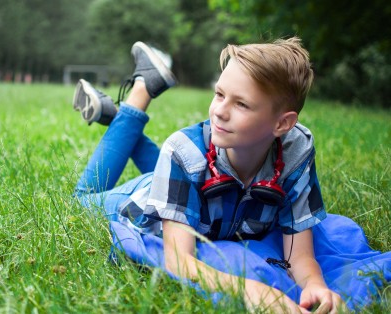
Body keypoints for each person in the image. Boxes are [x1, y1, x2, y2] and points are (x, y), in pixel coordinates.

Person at [72, 39, 345, 313]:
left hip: (188, 180)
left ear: (282, 124)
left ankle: (120, 119)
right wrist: (250, 289)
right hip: (141, 200)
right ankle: (140, 92)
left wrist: (314, 284)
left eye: (241, 104)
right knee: (79, 201)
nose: (219, 111)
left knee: (187, 164)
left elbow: (299, 255)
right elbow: (178, 262)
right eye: (219, 94)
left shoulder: (295, 149)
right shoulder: (183, 151)